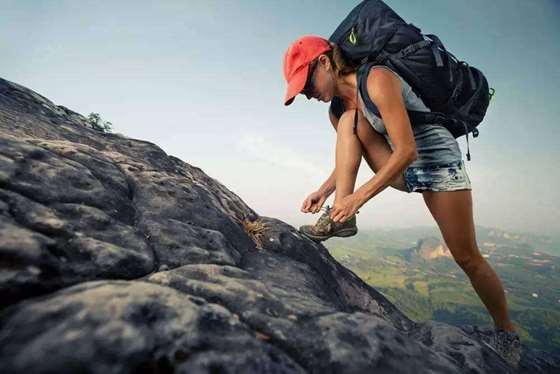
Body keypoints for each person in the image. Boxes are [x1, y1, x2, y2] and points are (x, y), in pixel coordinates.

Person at [282, 35, 521, 368]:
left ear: (324, 62)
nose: (306, 94)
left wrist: (357, 197)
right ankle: (340, 219)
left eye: (305, 83)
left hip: (435, 163)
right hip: (396, 165)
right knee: (349, 123)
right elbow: (349, 157)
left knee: (467, 256)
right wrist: (326, 191)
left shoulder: (377, 78)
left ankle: (507, 332)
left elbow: (409, 150)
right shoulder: (338, 110)